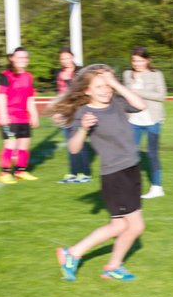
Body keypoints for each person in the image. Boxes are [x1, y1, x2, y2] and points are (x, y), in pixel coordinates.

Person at [48, 65, 149, 282]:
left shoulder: (116, 102)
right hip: (115, 175)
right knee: (135, 226)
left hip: (132, 168)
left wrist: (114, 83)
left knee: (120, 225)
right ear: (87, 91)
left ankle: (78, 255)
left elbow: (141, 105)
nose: (105, 90)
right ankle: (104, 263)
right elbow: (74, 148)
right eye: (99, 86)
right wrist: (83, 128)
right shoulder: (84, 113)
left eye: (107, 85)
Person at [123, 46, 167, 199]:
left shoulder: (156, 74)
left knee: (152, 153)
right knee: (130, 153)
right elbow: (124, 96)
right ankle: (132, 186)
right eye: (134, 60)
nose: (137, 63)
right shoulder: (127, 74)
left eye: (140, 60)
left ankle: (157, 187)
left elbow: (162, 95)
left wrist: (139, 92)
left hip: (152, 119)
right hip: (133, 120)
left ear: (147, 60)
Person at [0, 46, 40, 183]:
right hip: (10, 117)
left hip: (23, 118)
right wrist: (3, 115)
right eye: (19, 57)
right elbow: (1, 96)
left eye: (25, 57)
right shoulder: (5, 75)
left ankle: (21, 171)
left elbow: (29, 98)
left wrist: (34, 115)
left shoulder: (28, 77)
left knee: (24, 145)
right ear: (12, 59)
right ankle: (5, 173)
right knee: (10, 145)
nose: (22, 60)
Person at [52, 48, 92, 184]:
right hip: (65, 111)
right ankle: (73, 173)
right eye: (62, 59)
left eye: (67, 58)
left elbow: (79, 90)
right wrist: (57, 111)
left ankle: (85, 172)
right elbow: (59, 94)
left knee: (79, 142)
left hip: (79, 109)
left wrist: (68, 80)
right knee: (70, 142)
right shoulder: (59, 74)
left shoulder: (81, 72)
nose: (65, 61)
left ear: (72, 57)